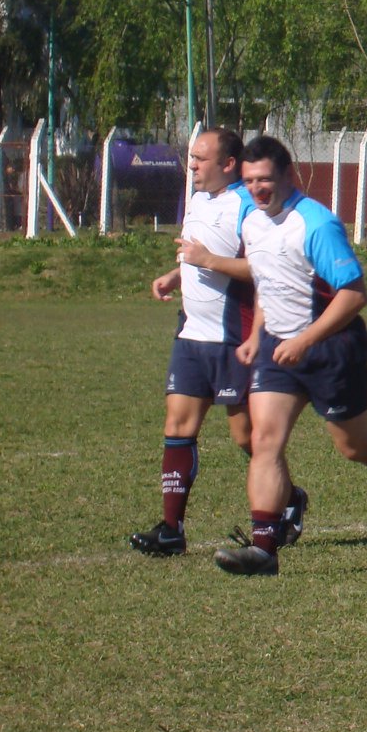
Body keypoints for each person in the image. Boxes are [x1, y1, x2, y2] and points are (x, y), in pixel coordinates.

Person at [215, 135, 367, 575]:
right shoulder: (251, 219)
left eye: (265, 180)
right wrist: (260, 333)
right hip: (279, 350)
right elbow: (269, 277)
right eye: (249, 181)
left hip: (332, 348)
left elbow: (354, 295)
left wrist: (305, 341)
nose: (257, 189)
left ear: (287, 175)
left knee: (352, 445)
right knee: (265, 440)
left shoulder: (316, 224)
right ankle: (264, 549)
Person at [131, 127, 292, 556]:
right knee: (177, 428)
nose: (192, 166)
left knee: (247, 438)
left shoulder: (249, 207)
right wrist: (176, 273)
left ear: (229, 165)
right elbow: (195, 256)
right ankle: (171, 530)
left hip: (233, 339)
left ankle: (288, 500)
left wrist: (208, 261)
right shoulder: (198, 200)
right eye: (191, 157)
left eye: (201, 159)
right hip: (191, 335)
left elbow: (263, 269)